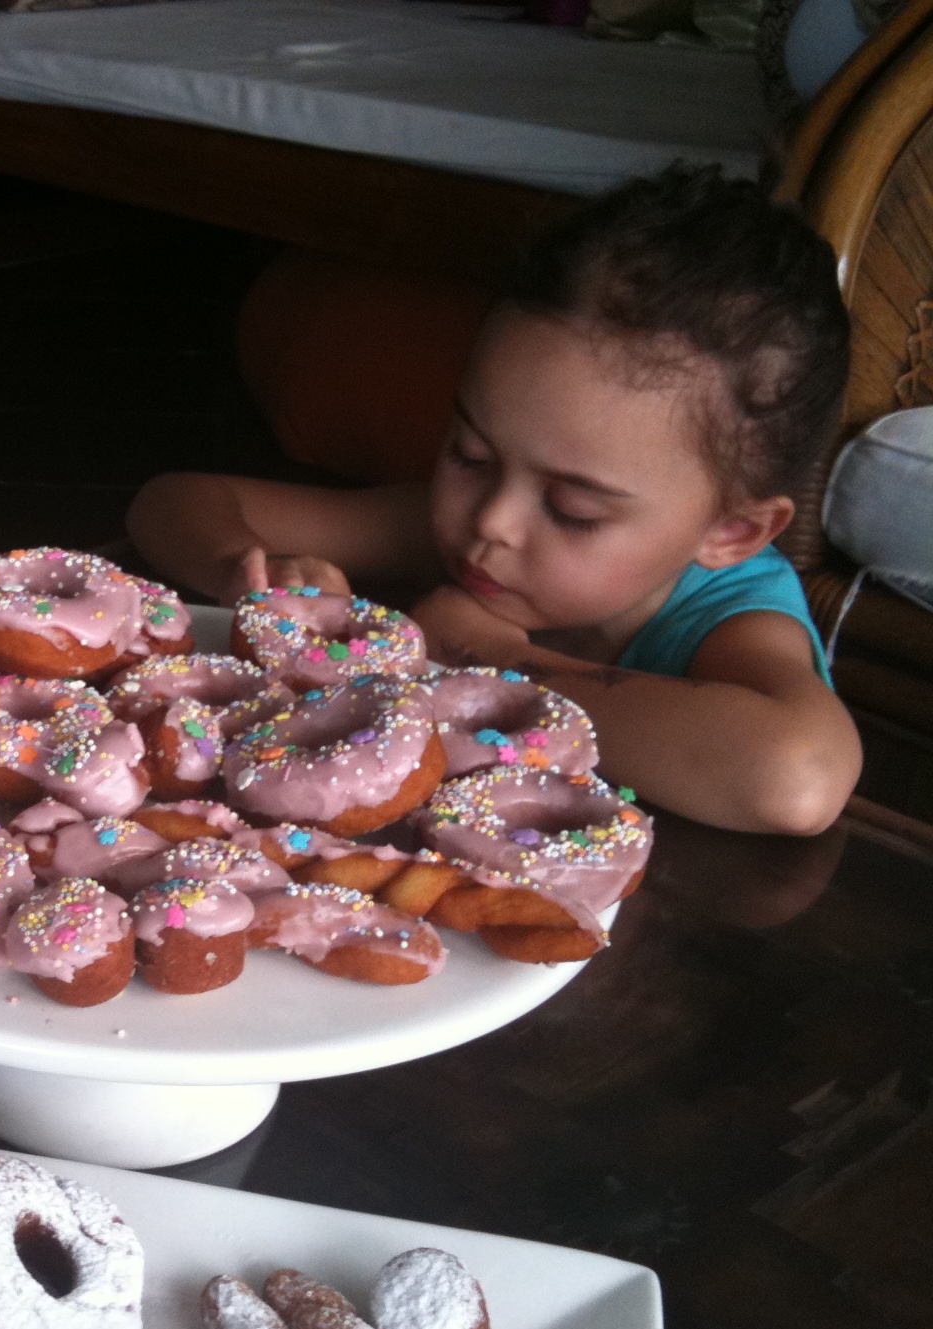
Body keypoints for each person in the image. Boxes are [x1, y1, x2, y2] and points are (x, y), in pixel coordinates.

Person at [129, 166, 862, 839]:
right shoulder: (457, 534)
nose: (491, 521)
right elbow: (175, 500)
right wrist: (246, 573)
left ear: (732, 531)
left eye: (572, 508)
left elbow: (796, 778)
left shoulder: (733, 622)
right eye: (470, 455)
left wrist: (490, 656)